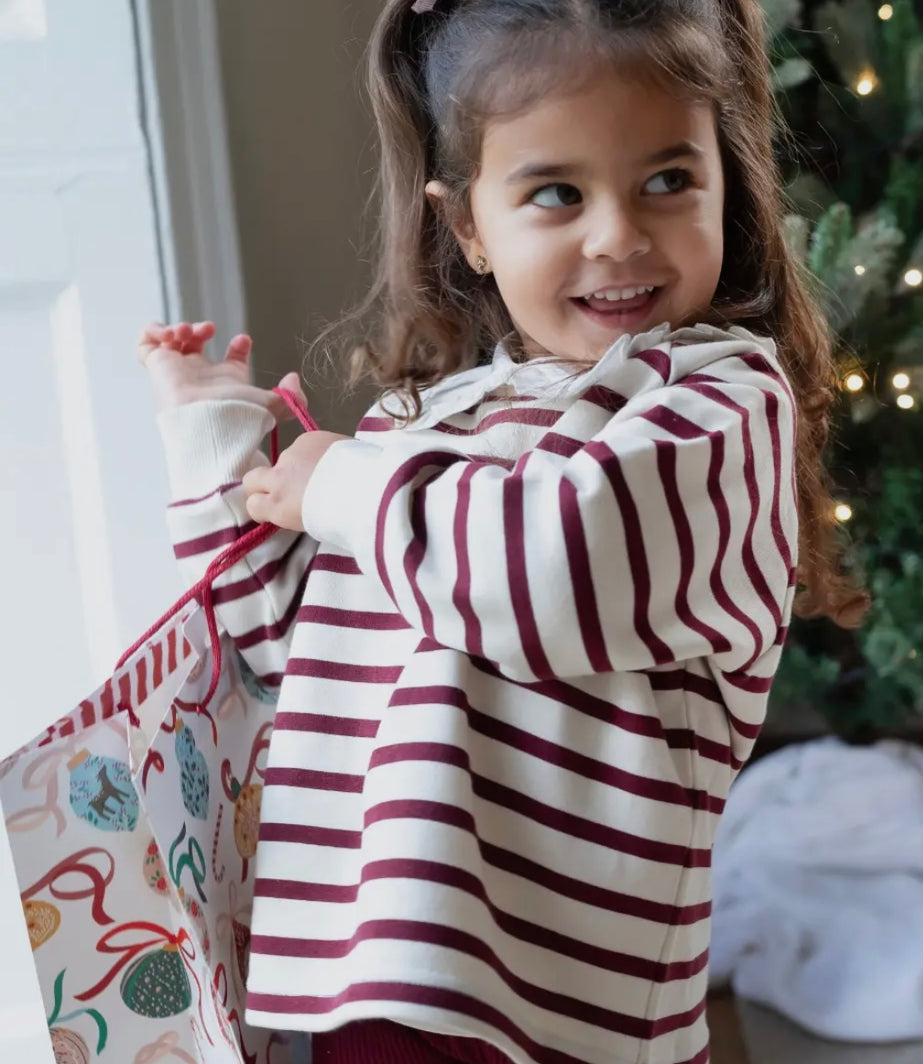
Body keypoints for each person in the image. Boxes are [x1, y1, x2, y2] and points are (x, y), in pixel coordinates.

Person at [137, 0, 868, 1060]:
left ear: (727, 185)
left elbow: (552, 565)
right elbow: (284, 643)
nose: (618, 233)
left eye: (669, 180)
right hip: (374, 970)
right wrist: (212, 442)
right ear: (470, 226)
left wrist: (342, 485)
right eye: (557, 192)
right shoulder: (416, 429)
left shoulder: (717, 405)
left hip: (573, 1002)